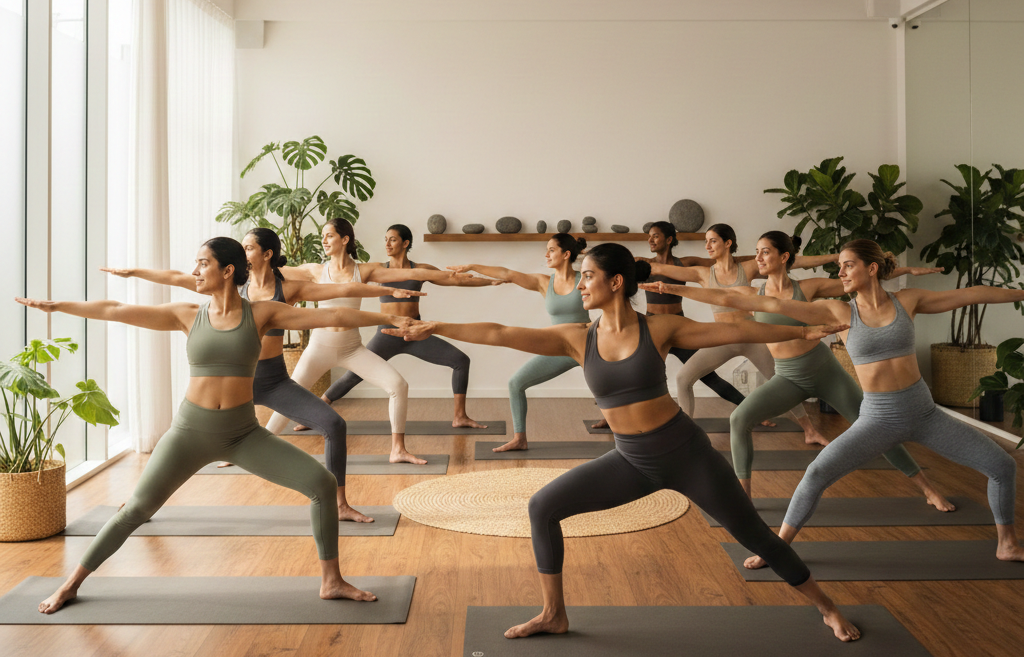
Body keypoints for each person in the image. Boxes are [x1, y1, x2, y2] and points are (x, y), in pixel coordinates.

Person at [384, 243, 860, 642]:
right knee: (543, 507)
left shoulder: (660, 328)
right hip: (631, 460)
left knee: (754, 535)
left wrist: (804, 330)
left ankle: (826, 607)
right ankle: (554, 614)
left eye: (589, 275)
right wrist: (438, 326)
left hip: (686, 454)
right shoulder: (577, 338)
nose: (582, 283)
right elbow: (503, 333)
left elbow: (736, 327)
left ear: (616, 282)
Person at [25, 236, 415, 614]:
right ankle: (71, 584)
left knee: (322, 484)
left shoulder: (262, 313)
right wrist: (57, 306)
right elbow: (113, 309)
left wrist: (389, 317)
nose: (195, 271)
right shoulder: (186, 314)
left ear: (228, 271)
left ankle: (331, 581)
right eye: (195, 264)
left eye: (203, 263)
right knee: (136, 510)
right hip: (189, 433)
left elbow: (334, 315)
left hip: (243, 433)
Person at [674, 238, 1023, 570]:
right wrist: (679, 289)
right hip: (877, 419)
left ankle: (1006, 544)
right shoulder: (838, 310)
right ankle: (777, 548)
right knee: (816, 473)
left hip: (925, 414)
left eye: (847, 265)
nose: (839, 272)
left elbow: (970, 294)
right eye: (838, 266)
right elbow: (767, 304)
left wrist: (1020, 292)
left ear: (871, 269)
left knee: (1001, 466)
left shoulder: (908, 301)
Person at [101, 226, 426, 518]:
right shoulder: (231, 284)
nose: (242, 253)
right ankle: (139, 502)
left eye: (248, 248)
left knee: (334, 424)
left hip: (273, 380)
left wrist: (389, 294)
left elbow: (342, 294)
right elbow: (175, 277)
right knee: (178, 441)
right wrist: (133, 272)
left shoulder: (287, 288)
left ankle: (340, 504)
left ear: (266, 254)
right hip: (236, 384)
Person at [640, 230, 952, 507]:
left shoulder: (810, 287)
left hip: (825, 370)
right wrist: (674, 290)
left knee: (876, 429)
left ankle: (927, 488)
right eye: (758, 251)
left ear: (784, 256)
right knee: (739, 419)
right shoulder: (755, 294)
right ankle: (744, 495)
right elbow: (720, 295)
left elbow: (857, 281)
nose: (759, 257)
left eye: (765, 251)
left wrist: (906, 270)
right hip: (788, 376)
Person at [267, 219, 496, 463]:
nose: (323, 241)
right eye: (323, 236)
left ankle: (398, 449)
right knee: (288, 394)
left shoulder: (363, 271)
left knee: (398, 385)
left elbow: (415, 273)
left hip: (351, 348)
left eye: (329, 235)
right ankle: (260, 444)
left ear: (345, 240)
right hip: (319, 348)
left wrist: (454, 275)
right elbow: (273, 271)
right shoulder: (314, 270)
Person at [645, 223, 834, 443]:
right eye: (705, 241)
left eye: (712, 240)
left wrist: (835, 257)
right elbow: (660, 269)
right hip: (722, 338)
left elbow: (796, 261)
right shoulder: (703, 273)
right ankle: (686, 434)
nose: (707, 246)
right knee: (683, 377)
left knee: (781, 383)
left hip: (753, 336)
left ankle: (810, 431)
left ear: (728, 243)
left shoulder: (748, 267)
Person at [315, 223, 504, 431]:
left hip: (415, 333)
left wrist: (489, 282)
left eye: (393, 239)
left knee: (460, 361)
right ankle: (315, 411)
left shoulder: (420, 270)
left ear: (405, 243)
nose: (387, 244)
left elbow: (456, 281)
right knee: (353, 376)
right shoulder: (378, 270)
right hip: (386, 334)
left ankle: (460, 416)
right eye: (385, 239)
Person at [446, 233, 590, 451]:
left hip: (587, 345)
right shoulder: (544, 282)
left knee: (609, 385)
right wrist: (473, 266)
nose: (546, 254)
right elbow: (507, 273)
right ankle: (519, 438)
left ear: (566, 254)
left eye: (551, 250)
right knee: (516, 383)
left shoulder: (586, 279)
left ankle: (625, 431)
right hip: (558, 347)